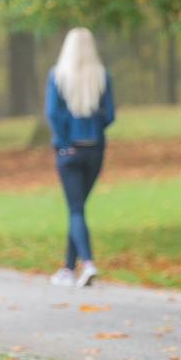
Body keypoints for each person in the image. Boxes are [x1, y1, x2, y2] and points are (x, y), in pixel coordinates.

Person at [45, 27, 115, 289]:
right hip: (94, 149)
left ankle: (86, 263)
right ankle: (67, 269)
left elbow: (52, 113)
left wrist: (64, 142)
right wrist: (94, 129)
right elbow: (109, 115)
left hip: (69, 151)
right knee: (78, 209)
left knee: (76, 209)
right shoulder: (101, 76)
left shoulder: (58, 75)